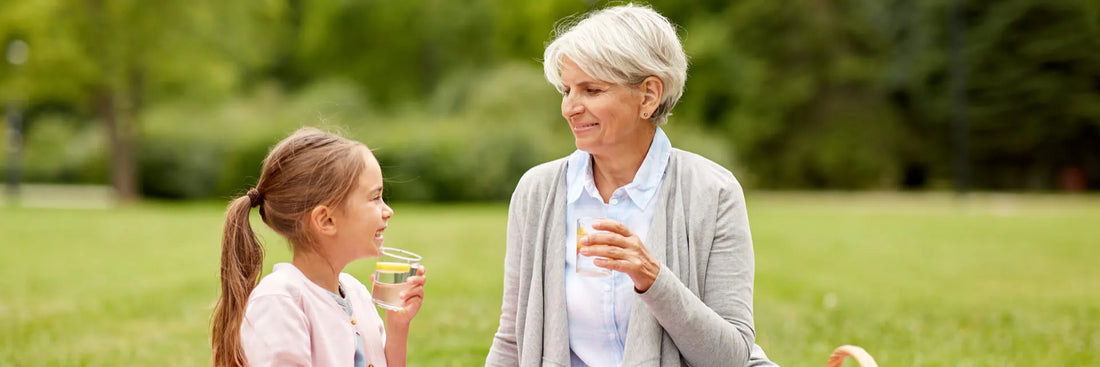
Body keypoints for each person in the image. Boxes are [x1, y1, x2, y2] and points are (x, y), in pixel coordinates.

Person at [486, 4, 778, 367]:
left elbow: (730, 358)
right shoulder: (537, 192)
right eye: (567, 90)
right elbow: (513, 340)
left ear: (649, 95)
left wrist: (652, 278)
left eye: (591, 90)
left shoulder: (712, 192)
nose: (570, 108)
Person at [210, 127, 427, 367]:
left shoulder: (357, 294)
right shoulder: (281, 301)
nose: (388, 211)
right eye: (375, 198)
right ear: (326, 220)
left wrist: (398, 326)